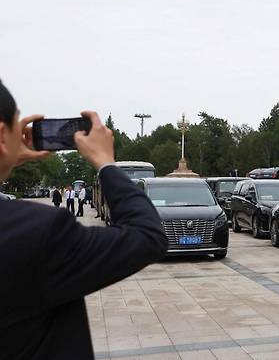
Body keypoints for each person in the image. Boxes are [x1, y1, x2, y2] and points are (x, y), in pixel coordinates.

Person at [0, 81, 168, 360]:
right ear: (4, 136)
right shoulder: (37, 233)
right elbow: (147, 236)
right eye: (17, 121)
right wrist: (105, 163)